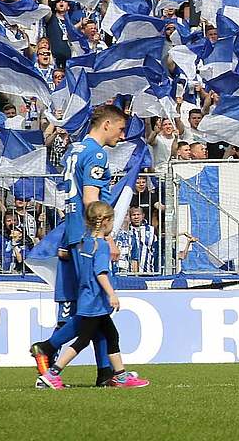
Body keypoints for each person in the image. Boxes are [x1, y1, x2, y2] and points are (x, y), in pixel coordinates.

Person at [31, 105, 127, 386]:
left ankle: (106, 373)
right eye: (121, 129)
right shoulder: (96, 153)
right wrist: (106, 238)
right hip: (89, 235)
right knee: (93, 307)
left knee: (93, 308)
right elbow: (90, 199)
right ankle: (48, 347)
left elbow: (69, 200)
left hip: (74, 233)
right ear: (107, 124)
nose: (121, 137)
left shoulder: (74, 150)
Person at [35, 202, 149, 389]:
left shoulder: (84, 242)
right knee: (83, 340)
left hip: (87, 297)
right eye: (112, 220)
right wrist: (111, 294)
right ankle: (52, 373)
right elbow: (100, 273)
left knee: (111, 335)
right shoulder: (102, 246)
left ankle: (120, 375)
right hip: (95, 301)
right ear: (105, 221)